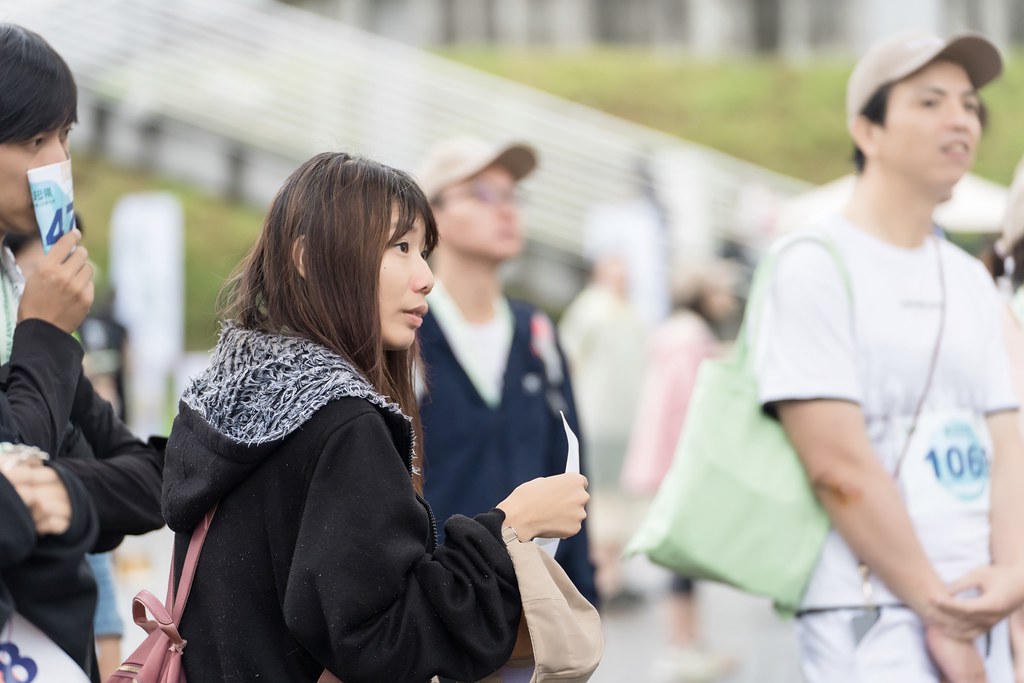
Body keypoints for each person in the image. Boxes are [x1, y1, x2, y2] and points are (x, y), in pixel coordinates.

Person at [161, 151, 590, 682]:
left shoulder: (224, 394)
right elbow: (380, 641)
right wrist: (508, 530)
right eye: (400, 247)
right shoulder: (344, 422)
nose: (426, 276)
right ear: (305, 256)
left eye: (424, 251)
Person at [753, 31, 1024, 681]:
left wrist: (1013, 575)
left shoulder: (967, 278)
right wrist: (934, 603)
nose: (960, 117)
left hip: (980, 601)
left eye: (968, 104)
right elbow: (838, 465)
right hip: (870, 605)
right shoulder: (813, 263)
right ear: (867, 131)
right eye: (930, 102)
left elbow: (1009, 436)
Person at [414, 137, 598, 606]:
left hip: (531, 609)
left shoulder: (535, 331)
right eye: (481, 194)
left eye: (513, 196)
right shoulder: (405, 333)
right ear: (431, 216)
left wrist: (584, 594)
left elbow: (572, 468)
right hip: (435, 607)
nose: (506, 210)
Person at [622, 261, 739, 683]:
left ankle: (689, 642)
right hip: (678, 461)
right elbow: (688, 406)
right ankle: (680, 646)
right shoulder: (691, 337)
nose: (727, 300)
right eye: (721, 291)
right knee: (681, 558)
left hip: (665, 459)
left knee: (682, 555)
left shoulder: (677, 333)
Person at [558, 254, 646, 608]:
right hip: (598, 420)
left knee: (620, 499)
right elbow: (569, 359)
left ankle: (614, 575)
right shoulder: (591, 310)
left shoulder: (629, 312)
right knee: (602, 499)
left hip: (626, 421)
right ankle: (603, 577)